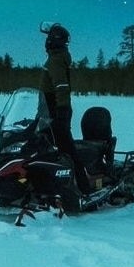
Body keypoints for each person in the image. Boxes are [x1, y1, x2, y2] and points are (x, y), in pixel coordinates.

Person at [39, 21, 93, 194]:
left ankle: (83, 188)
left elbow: (61, 86)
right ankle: (46, 184)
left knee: (66, 149)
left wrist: (61, 110)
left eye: (48, 38)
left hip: (56, 111)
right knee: (47, 149)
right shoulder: (56, 58)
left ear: (53, 41)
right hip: (50, 110)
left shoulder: (56, 60)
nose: (46, 42)